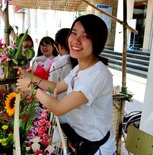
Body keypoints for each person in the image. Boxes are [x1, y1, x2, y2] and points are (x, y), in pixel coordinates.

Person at [16, 14, 116, 154]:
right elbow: (55, 87)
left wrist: (31, 88)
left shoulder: (97, 74)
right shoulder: (79, 68)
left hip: (96, 148)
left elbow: (59, 108)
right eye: (74, 33)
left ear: (97, 41)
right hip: (79, 139)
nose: (76, 40)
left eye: (85, 36)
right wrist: (29, 76)